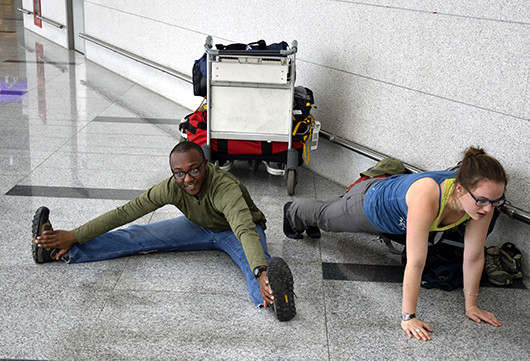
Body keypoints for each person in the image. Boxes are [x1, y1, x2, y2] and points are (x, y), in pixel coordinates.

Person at [32, 141, 296, 321]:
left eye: (194, 169)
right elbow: (125, 213)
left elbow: (244, 229)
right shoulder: (171, 186)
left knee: (255, 264)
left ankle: (274, 298)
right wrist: (75, 235)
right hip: (199, 227)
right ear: (173, 173)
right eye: (179, 173)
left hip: (236, 230)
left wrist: (260, 270)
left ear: (205, 164)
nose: (188, 179)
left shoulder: (224, 187)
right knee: (136, 235)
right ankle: (59, 250)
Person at [283, 147, 507, 339]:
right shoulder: (428, 197)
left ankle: (327, 205)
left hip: (399, 214)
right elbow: (416, 262)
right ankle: (292, 212)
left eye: (496, 201)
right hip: (372, 204)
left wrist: (472, 306)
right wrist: (408, 317)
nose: (489, 208)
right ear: (460, 189)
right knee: (326, 218)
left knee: (333, 209)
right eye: (483, 201)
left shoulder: (482, 203)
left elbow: (474, 256)